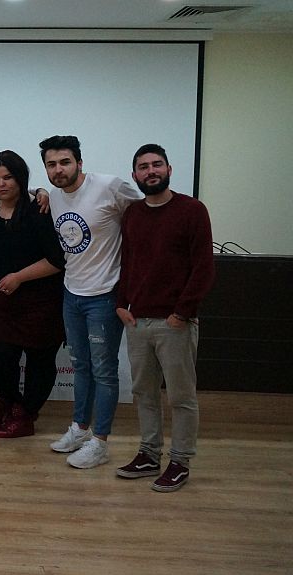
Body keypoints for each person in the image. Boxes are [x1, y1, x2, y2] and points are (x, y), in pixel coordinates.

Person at [115, 144, 214, 492]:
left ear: (169, 169)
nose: (151, 171)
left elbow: (204, 268)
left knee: (180, 397)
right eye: (143, 167)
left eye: (157, 165)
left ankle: (180, 461)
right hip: (138, 322)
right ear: (135, 175)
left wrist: (182, 313)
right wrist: (121, 304)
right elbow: (127, 262)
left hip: (175, 323)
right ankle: (148, 454)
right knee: (143, 392)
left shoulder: (192, 210)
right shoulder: (133, 214)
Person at [40, 135, 143, 469]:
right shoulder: (55, 196)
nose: (59, 169)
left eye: (65, 162)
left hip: (105, 295)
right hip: (72, 294)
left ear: (79, 163)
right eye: (51, 164)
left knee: (104, 371)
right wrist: (39, 192)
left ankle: (100, 442)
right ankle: (80, 429)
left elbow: (143, 214)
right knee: (81, 366)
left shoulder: (109, 187)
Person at [0, 150, 65, 439]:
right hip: (1, 301)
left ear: (20, 178)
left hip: (41, 301)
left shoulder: (39, 211)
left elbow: (57, 260)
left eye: (8, 178)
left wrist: (19, 277)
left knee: (40, 361)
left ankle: (26, 414)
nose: (1, 184)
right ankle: (11, 406)